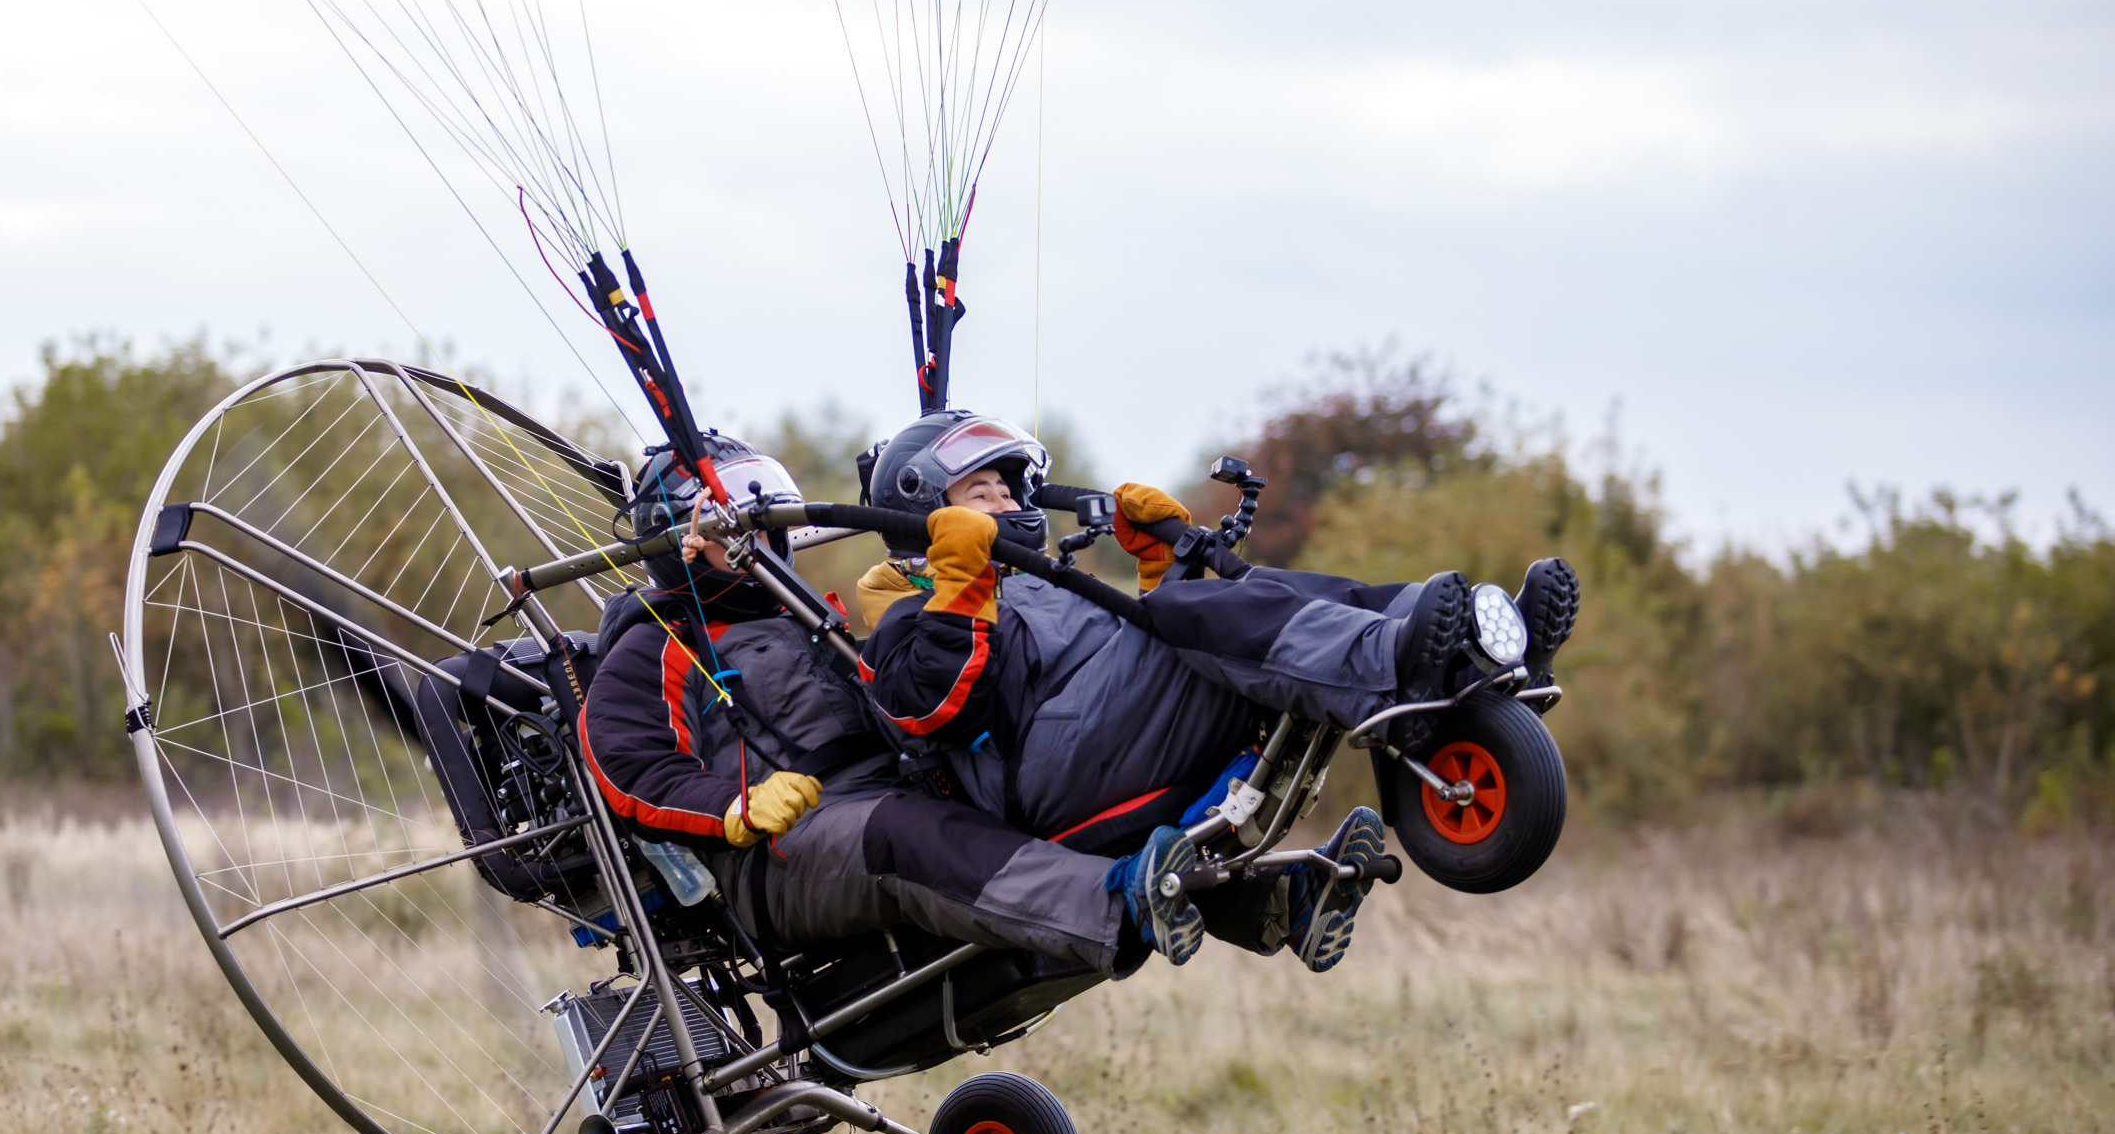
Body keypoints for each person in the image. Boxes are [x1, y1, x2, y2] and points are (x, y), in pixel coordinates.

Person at [853, 409, 1580, 967]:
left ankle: (1473, 649)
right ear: (924, 514)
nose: (1008, 501)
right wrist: (958, 588)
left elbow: (1111, 654)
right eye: (982, 490)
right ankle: (1400, 658)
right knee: (1183, 616)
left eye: (1011, 486)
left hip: (1103, 739)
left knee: (1246, 595)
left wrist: (1159, 564)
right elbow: (933, 705)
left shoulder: (1030, 586)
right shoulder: (910, 616)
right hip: (1043, 785)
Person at [578, 434, 1218, 972]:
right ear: (676, 541)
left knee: (1034, 776)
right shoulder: (655, 643)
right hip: (778, 853)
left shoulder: (806, 620)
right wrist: (734, 808)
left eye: (761, 513)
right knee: (907, 833)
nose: (758, 535)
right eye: (729, 522)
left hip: (895, 792)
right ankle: (1119, 906)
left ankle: (1253, 895)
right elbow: (632, 768)